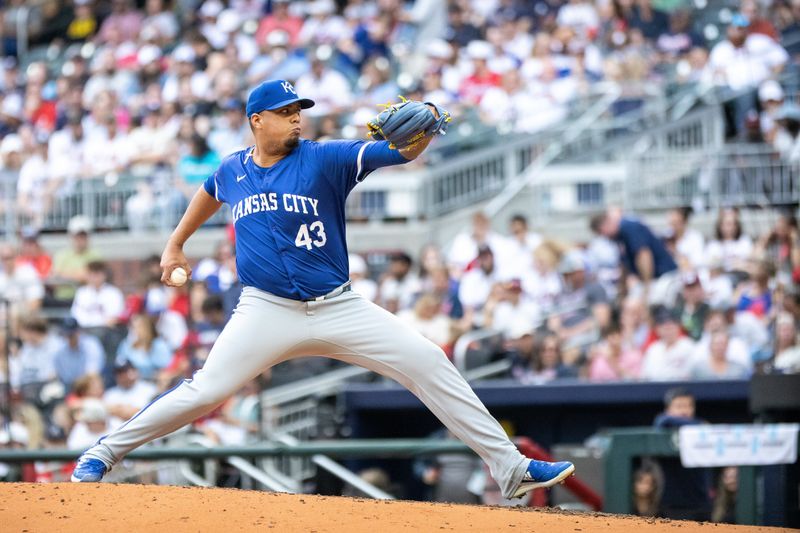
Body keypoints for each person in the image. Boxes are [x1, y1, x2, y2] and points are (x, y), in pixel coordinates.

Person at [72, 79, 574, 497]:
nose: (296, 118)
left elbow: (400, 151)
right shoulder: (232, 169)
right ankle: (103, 452)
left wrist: (426, 124)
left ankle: (510, 468)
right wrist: (176, 244)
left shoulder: (325, 158)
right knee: (207, 391)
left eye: (298, 111)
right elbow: (208, 193)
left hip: (339, 306)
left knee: (428, 361)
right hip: (265, 309)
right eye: (284, 111)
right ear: (256, 121)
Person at [590, 209, 679, 306]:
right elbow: (624, 265)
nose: (604, 236)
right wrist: (622, 293)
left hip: (665, 276)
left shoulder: (628, 227)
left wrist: (646, 287)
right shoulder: (618, 237)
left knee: (653, 304)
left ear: (605, 224)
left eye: (601, 232)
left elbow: (644, 255)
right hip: (652, 280)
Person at [653, 388, 712, 521]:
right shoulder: (665, 424)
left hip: (701, 503)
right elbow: (662, 421)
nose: (684, 411)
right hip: (673, 505)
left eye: (689, 406)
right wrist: (698, 424)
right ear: (668, 409)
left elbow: (705, 427)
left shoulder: (700, 429)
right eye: (679, 406)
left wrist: (699, 425)